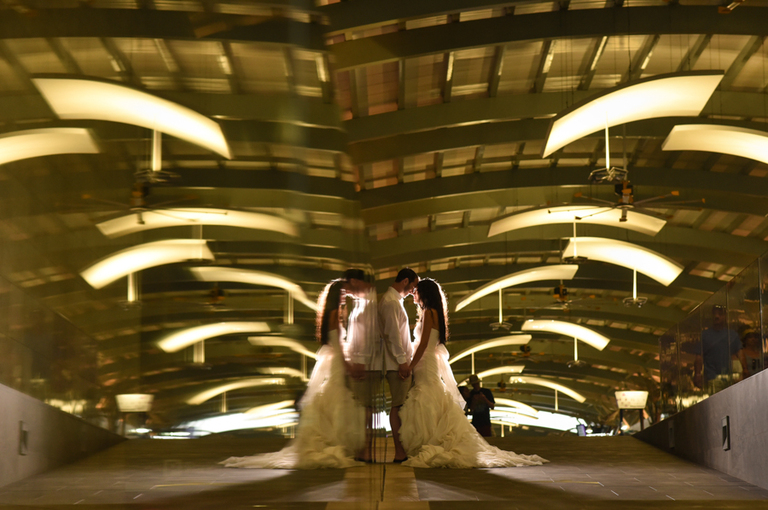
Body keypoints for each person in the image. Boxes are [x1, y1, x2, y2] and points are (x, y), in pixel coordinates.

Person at [398, 278, 547, 469]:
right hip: (428, 363)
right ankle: (431, 439)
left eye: (416, 290)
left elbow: (424, 343)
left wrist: (410, 366)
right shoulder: (435, 313)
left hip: (425, 362)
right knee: (432, 397)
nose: (413, 293)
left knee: (426, 397)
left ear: (425, 293)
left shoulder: (428, 312)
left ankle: (429, 442)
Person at [220, 280, 364, 469]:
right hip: (337, 358)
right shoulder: (336, 313)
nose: (346, 295)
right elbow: (338, 340)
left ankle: (336, 442)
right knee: (337, 397)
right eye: (344, 292)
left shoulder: (331, 313)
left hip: (333, 357)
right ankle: (337, 443)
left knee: (332, 397)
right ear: (338, 295)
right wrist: (348, 363)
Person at [376, 267, 419, 463]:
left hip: (398, 363)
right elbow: (393, 336)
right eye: (413, 286)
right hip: (396, 365)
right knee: (398, 406)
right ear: (405, 281)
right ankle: (399, 451)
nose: (413, 291)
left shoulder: (394, 301)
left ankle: (403, 449)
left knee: (400, 406)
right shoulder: (391, 302)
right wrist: (403, 362)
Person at [694, 304, 741, 392]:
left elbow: (740, 353)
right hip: (712, 377)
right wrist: (697, 374)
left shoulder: (732, 334)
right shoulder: (705, 335)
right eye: (715, 314)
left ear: (725, 316)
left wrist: (744, 370)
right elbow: (699, 357)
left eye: (720, 314)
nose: (717, 316)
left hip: (730, 377)